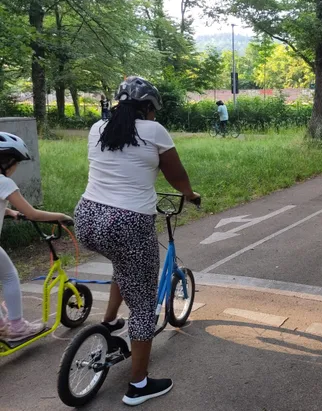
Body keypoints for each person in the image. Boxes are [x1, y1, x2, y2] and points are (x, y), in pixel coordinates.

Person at [74, 77, 200, 406]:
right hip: (128, 222)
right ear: (147, 108)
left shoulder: (96, 128)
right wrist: (190, 194)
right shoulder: (153, 131)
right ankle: (139, 385)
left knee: (123, 264)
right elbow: (175, 173)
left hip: (87, 218)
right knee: (144, 307)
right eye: (153, 110)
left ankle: (108, 322)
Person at [0, 133, 73, 341]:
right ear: (7, 162)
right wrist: (60, 216)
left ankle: (1, 326)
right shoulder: (4, 182)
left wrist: (9, 212)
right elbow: (32, 214)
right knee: (9, 276)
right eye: (17, 163)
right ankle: (16, 327)